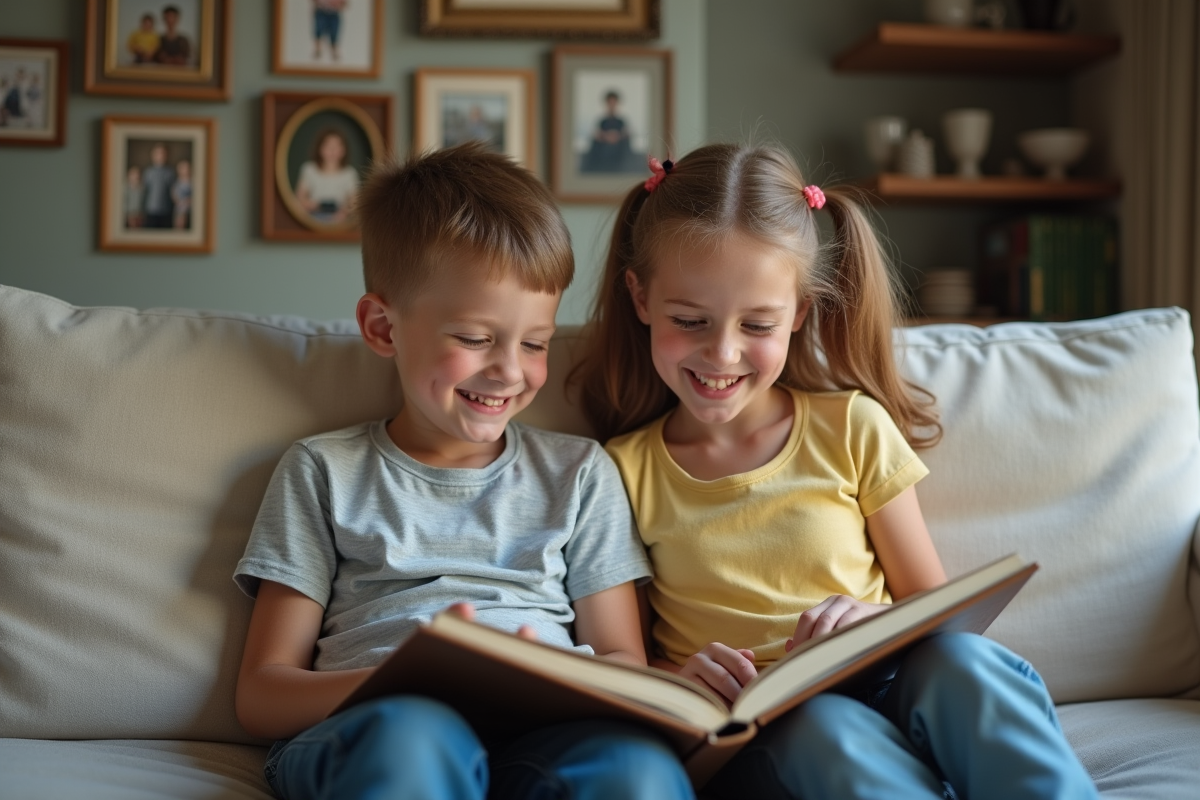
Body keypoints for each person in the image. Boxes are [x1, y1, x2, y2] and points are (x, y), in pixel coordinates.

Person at [575, 142, 1100, 800]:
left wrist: (868, 620)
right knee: (825, 727)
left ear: (799, 311)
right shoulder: (620, 472)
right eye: (690, 321)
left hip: (884, 683)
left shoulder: (851, 426)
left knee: (966, 664)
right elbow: (626, 660)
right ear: (640, 298)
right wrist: (679, 676)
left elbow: (935, 613)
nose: (723, 353)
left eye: (757, 324)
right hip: (770, 731)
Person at [232, 141, 695, 800]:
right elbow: (261, 696)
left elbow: (624, 660)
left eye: (534, 343)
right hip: (378, 729)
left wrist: (558, 682)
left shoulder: (580, 473)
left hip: (539, 736)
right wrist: (405, 682)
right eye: (475, 339)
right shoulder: (322, 471)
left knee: (635, 770)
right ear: (383, 327)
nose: (509, 370)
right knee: (413, 743)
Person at [295, 129, 359, 224]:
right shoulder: (309, 169)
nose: (332, 150)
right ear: (320, 148)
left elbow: (354, 202)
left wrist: (344, 212)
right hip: (312, 219)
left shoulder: (350, 173)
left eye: (337, 146)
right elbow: (299, 198)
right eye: (328, 146)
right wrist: (314, 206)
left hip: (340, 221)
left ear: (343, 150)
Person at [581, 90, 635, 173]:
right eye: (610, 103)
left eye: (613, 103)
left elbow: (625, 133)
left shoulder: (621, 121)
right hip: (603, 146)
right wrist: (606, 136)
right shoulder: (602, 121)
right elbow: (598, 133)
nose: (612, 105)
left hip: (619, 146)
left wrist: (617, 136)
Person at [140, 143, 175, 229]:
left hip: (166, 210)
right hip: (150, 209)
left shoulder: (170, 172)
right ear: (153, 156)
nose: (160, 156)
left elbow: (173, 191)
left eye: (163, 153)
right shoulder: (148, 172)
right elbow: (144, 191)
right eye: (158, 153)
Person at [171, 159, 192, 230]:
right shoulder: (177, 182)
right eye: (183, 168)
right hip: (179, 208)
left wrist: (189, 201)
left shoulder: (192, 182)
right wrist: (179, 201)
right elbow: (173, 194)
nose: (186, 170)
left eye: (187, 168)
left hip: (189, 209)